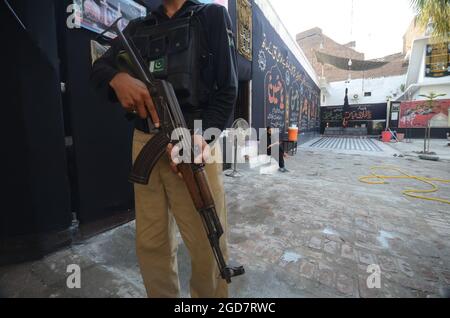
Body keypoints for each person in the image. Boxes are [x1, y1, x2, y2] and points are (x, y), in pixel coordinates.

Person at [91, 0, 238, 298]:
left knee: (207, 242)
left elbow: (227, 89)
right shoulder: (139, 26)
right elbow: (99, 66)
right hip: (147, 140)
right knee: (151, 243)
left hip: (194, 142)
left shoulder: (210, 15)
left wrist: (202, 138)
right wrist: (117, 79)